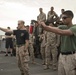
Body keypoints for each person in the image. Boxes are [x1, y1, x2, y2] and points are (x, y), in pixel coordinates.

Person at [39, 10, 76, 75]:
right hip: (62, 55)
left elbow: (62, 32)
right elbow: (53, 28)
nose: (62, 19)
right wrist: (44, 26)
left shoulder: (74, 27)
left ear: (71, 18)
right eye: (62, 17)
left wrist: (45, 27)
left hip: (71, 55)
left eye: (64, 17)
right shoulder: (63, 27)